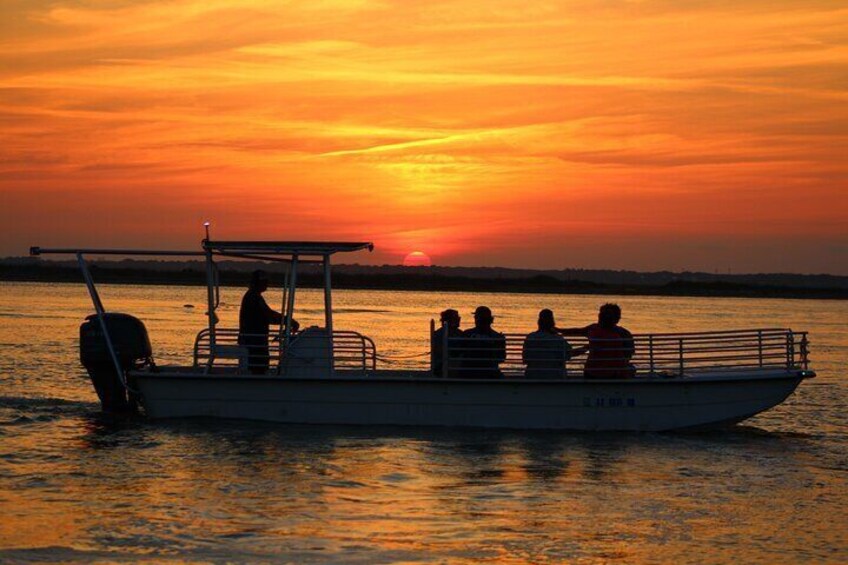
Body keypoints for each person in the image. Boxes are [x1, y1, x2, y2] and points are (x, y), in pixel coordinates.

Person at [238, 270, 299, 374]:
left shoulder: (254, 296)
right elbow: (268, 315)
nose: (266, 283)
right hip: (254, 341)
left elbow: (268, 315)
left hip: (254, 339)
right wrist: (288, 321)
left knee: (259, 365)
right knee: (258, 367)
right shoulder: (253, 297)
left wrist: (287, 321)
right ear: (256, 282)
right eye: (264, 281)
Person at [558, 303, 635, 379]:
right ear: (617, 318)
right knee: (631, 368)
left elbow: (575, 331)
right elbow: (629, 354)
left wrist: (558, 330)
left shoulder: (593, 329)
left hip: (591, 373)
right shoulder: (623, 333)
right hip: (613, 374)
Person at [522, 309, 577, 379]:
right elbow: (569, 354)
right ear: (552, 322)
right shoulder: (558, 339)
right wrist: (588, 347)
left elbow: (525, 359)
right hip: (554, 376)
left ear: (539, 322)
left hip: (532, 375)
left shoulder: (530, 337)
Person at [459, 306, 506, 378]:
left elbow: (458, 353)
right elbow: (501, 358)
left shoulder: (467, 334)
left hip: (468, 372)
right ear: (490, 320)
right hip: (490, 373)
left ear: (477, 319)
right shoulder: (497, 336)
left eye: (475, 317)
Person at [432, 309, 462, 377]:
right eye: (457, 318)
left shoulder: (460, 334)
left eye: (459, 318)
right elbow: (439, 351)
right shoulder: (439, 334)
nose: (459, 319)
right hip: (443, 365)